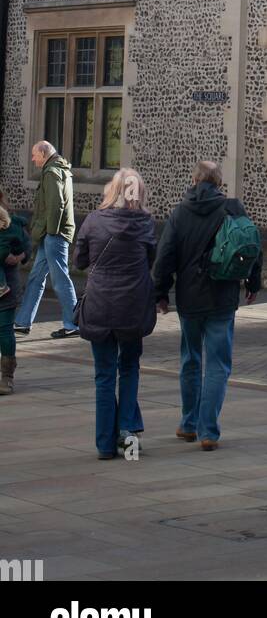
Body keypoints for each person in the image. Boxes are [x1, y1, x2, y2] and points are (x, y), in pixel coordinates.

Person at [152, 161, 261, 451]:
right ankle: (208, 431)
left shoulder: (180, 213)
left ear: (194, 179)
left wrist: (159, 293)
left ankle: (189, 424)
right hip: (222, 297)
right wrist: (253, 283)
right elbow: (252, 245)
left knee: (190, 359)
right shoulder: (233, 208)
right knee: (218, 365)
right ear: (219, 183)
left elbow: (164, 258)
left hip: (189, 299)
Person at [73, 168, 157, 460]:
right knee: (130, 367)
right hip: (132, 306)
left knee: (104, 375)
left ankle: (105, 446)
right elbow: (150, 260)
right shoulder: (145, 223)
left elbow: (79, 260)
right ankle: (126, 432)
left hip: (99, 304)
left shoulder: (94, 221)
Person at [14, 141, 78, 339]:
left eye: (34, 155)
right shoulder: (58, 168)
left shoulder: (51, 172)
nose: (33, 159)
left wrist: (49, 233)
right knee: (35, 278)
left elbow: (56, 205)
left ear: (43, 153)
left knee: (60, 279)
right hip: (52, 234)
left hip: (54, 235)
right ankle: (23, 322)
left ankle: (73, 323)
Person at [0, 190, 30, 396]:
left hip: (6, 287)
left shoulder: (11, 223)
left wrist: (20, 256)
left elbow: (27, 245)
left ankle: (7, 376)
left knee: (4, 330)